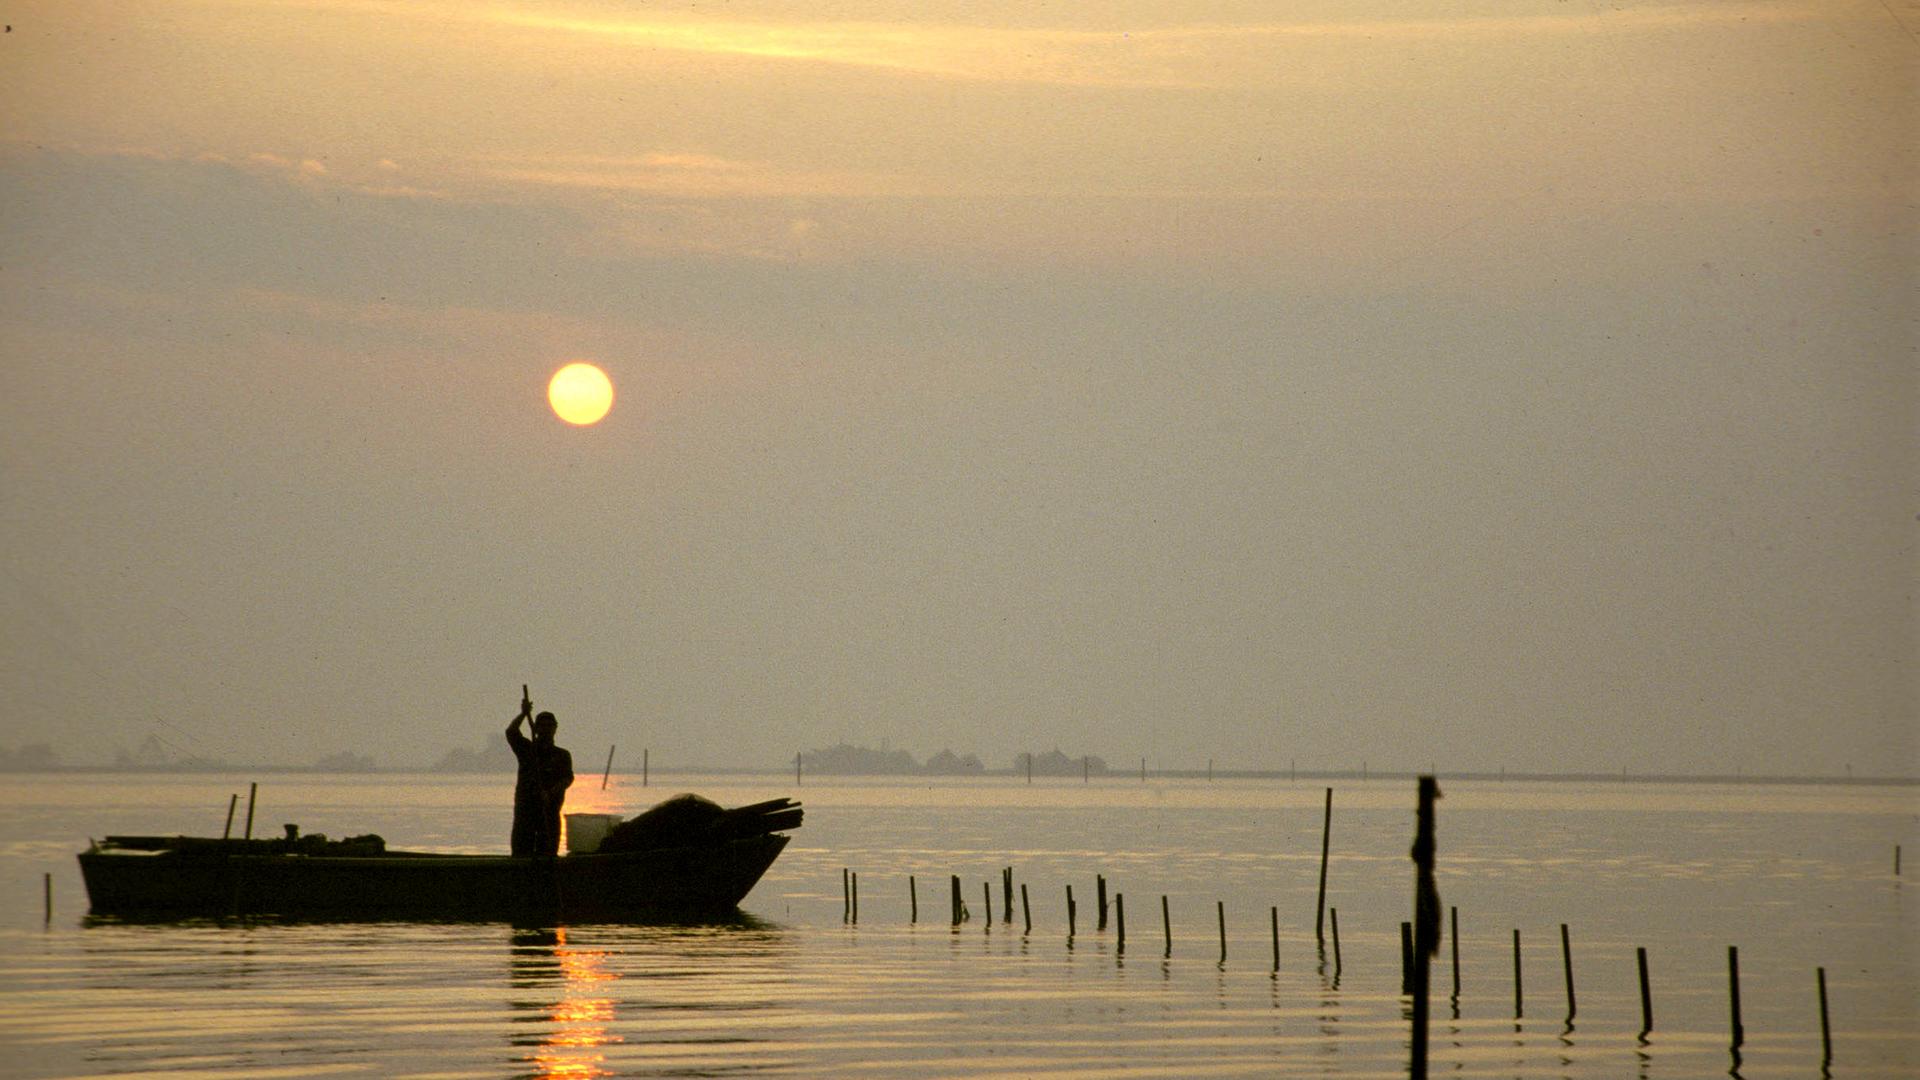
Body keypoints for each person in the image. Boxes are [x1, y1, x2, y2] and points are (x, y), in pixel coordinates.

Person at [506, 691, 574, 857]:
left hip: (549, 813)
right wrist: (523, 714)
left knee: (548, 854)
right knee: (521, 854)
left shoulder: (562, 755)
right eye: (542, 726)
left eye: (550, 726)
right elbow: (511, 732)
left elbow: (568, 778)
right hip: (526, 813)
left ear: (555, 728)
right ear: (535, 728)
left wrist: (551, 792)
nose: (546, 729)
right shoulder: (527, 750)